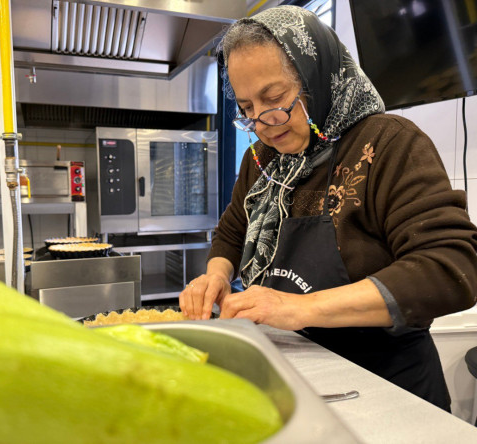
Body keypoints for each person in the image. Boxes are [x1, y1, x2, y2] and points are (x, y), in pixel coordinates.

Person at [179, 5, 477, 411]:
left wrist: (298, 307)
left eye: (275, 98)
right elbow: (231, 233)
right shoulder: (263, 161)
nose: (264, 123)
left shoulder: (387, 144)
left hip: (388, 391)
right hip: (297, 379)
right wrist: (214, 276)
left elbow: (450, 268)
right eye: (248, 109)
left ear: (316, 74)